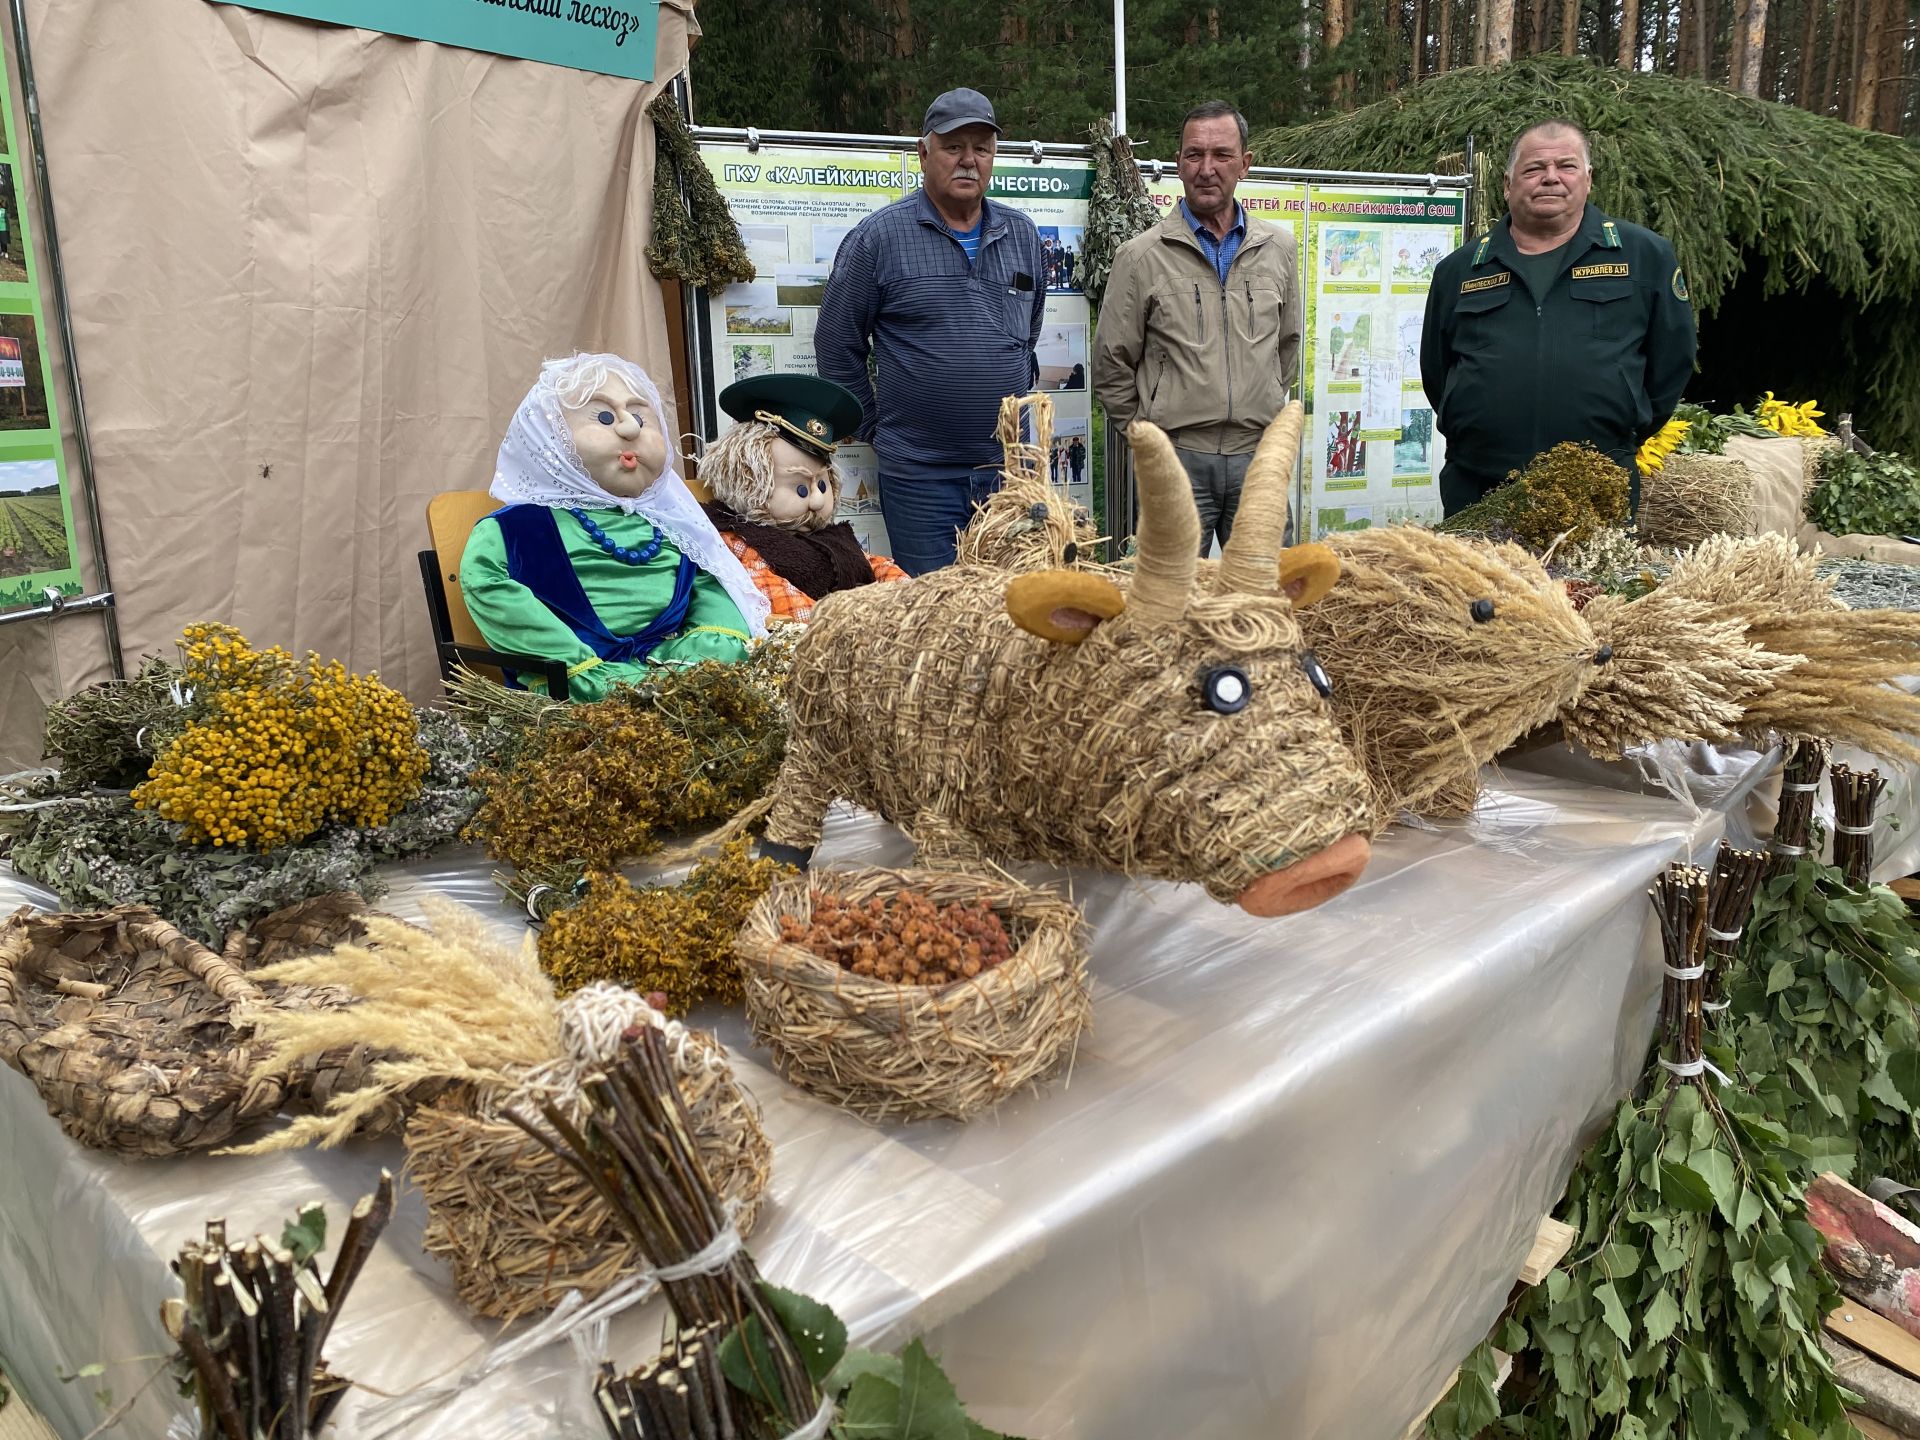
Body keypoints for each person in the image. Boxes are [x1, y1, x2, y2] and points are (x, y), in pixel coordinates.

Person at [814, 86, 1045, 575]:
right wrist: (875, 428)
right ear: (924, 153)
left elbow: (1027, 338)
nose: (968, 161)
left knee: (1013, 607)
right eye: (953, 147)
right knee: (931, 613)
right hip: (920, 479)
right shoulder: (879, 238)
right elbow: (837, 345)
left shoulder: (1021, 235)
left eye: (981, 148)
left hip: (1007, 475)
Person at [1421, 119, 1696, 516]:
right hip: (1479, 482)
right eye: (1533, 169)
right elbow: (1437, 368)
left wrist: (1625, 429)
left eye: (1566, 166)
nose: (1550, 178)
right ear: (1507, 184)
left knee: (1591, 582)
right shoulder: (1461, 270)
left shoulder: (1643, 256)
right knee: (1477, 580)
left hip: (1598, 486)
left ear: (1588, 179)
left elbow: (1672, 359)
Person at [459, 353, 767, 702]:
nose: (630, 427)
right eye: (605, 416)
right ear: (547, 439)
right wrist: (592, 675)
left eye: (639, 415)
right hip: (574, 697)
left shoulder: (677, 523)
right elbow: (488, 585)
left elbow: (717, 606)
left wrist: (681, 668)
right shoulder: (513, 530)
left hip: (683, 686)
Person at [1092, 99, 1304, 554]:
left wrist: (1259, 398)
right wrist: (1150, 443)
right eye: (1195, 155)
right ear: (1178, 164)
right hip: (1176, 461)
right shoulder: (1141, 257)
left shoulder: (1279, 250)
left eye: (1222, 155)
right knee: (1167, 602)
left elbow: (1286, 348)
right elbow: (1112, 363)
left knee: (1263, 597)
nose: (1207, 168)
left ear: (1244, 164)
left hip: (1257, 461)